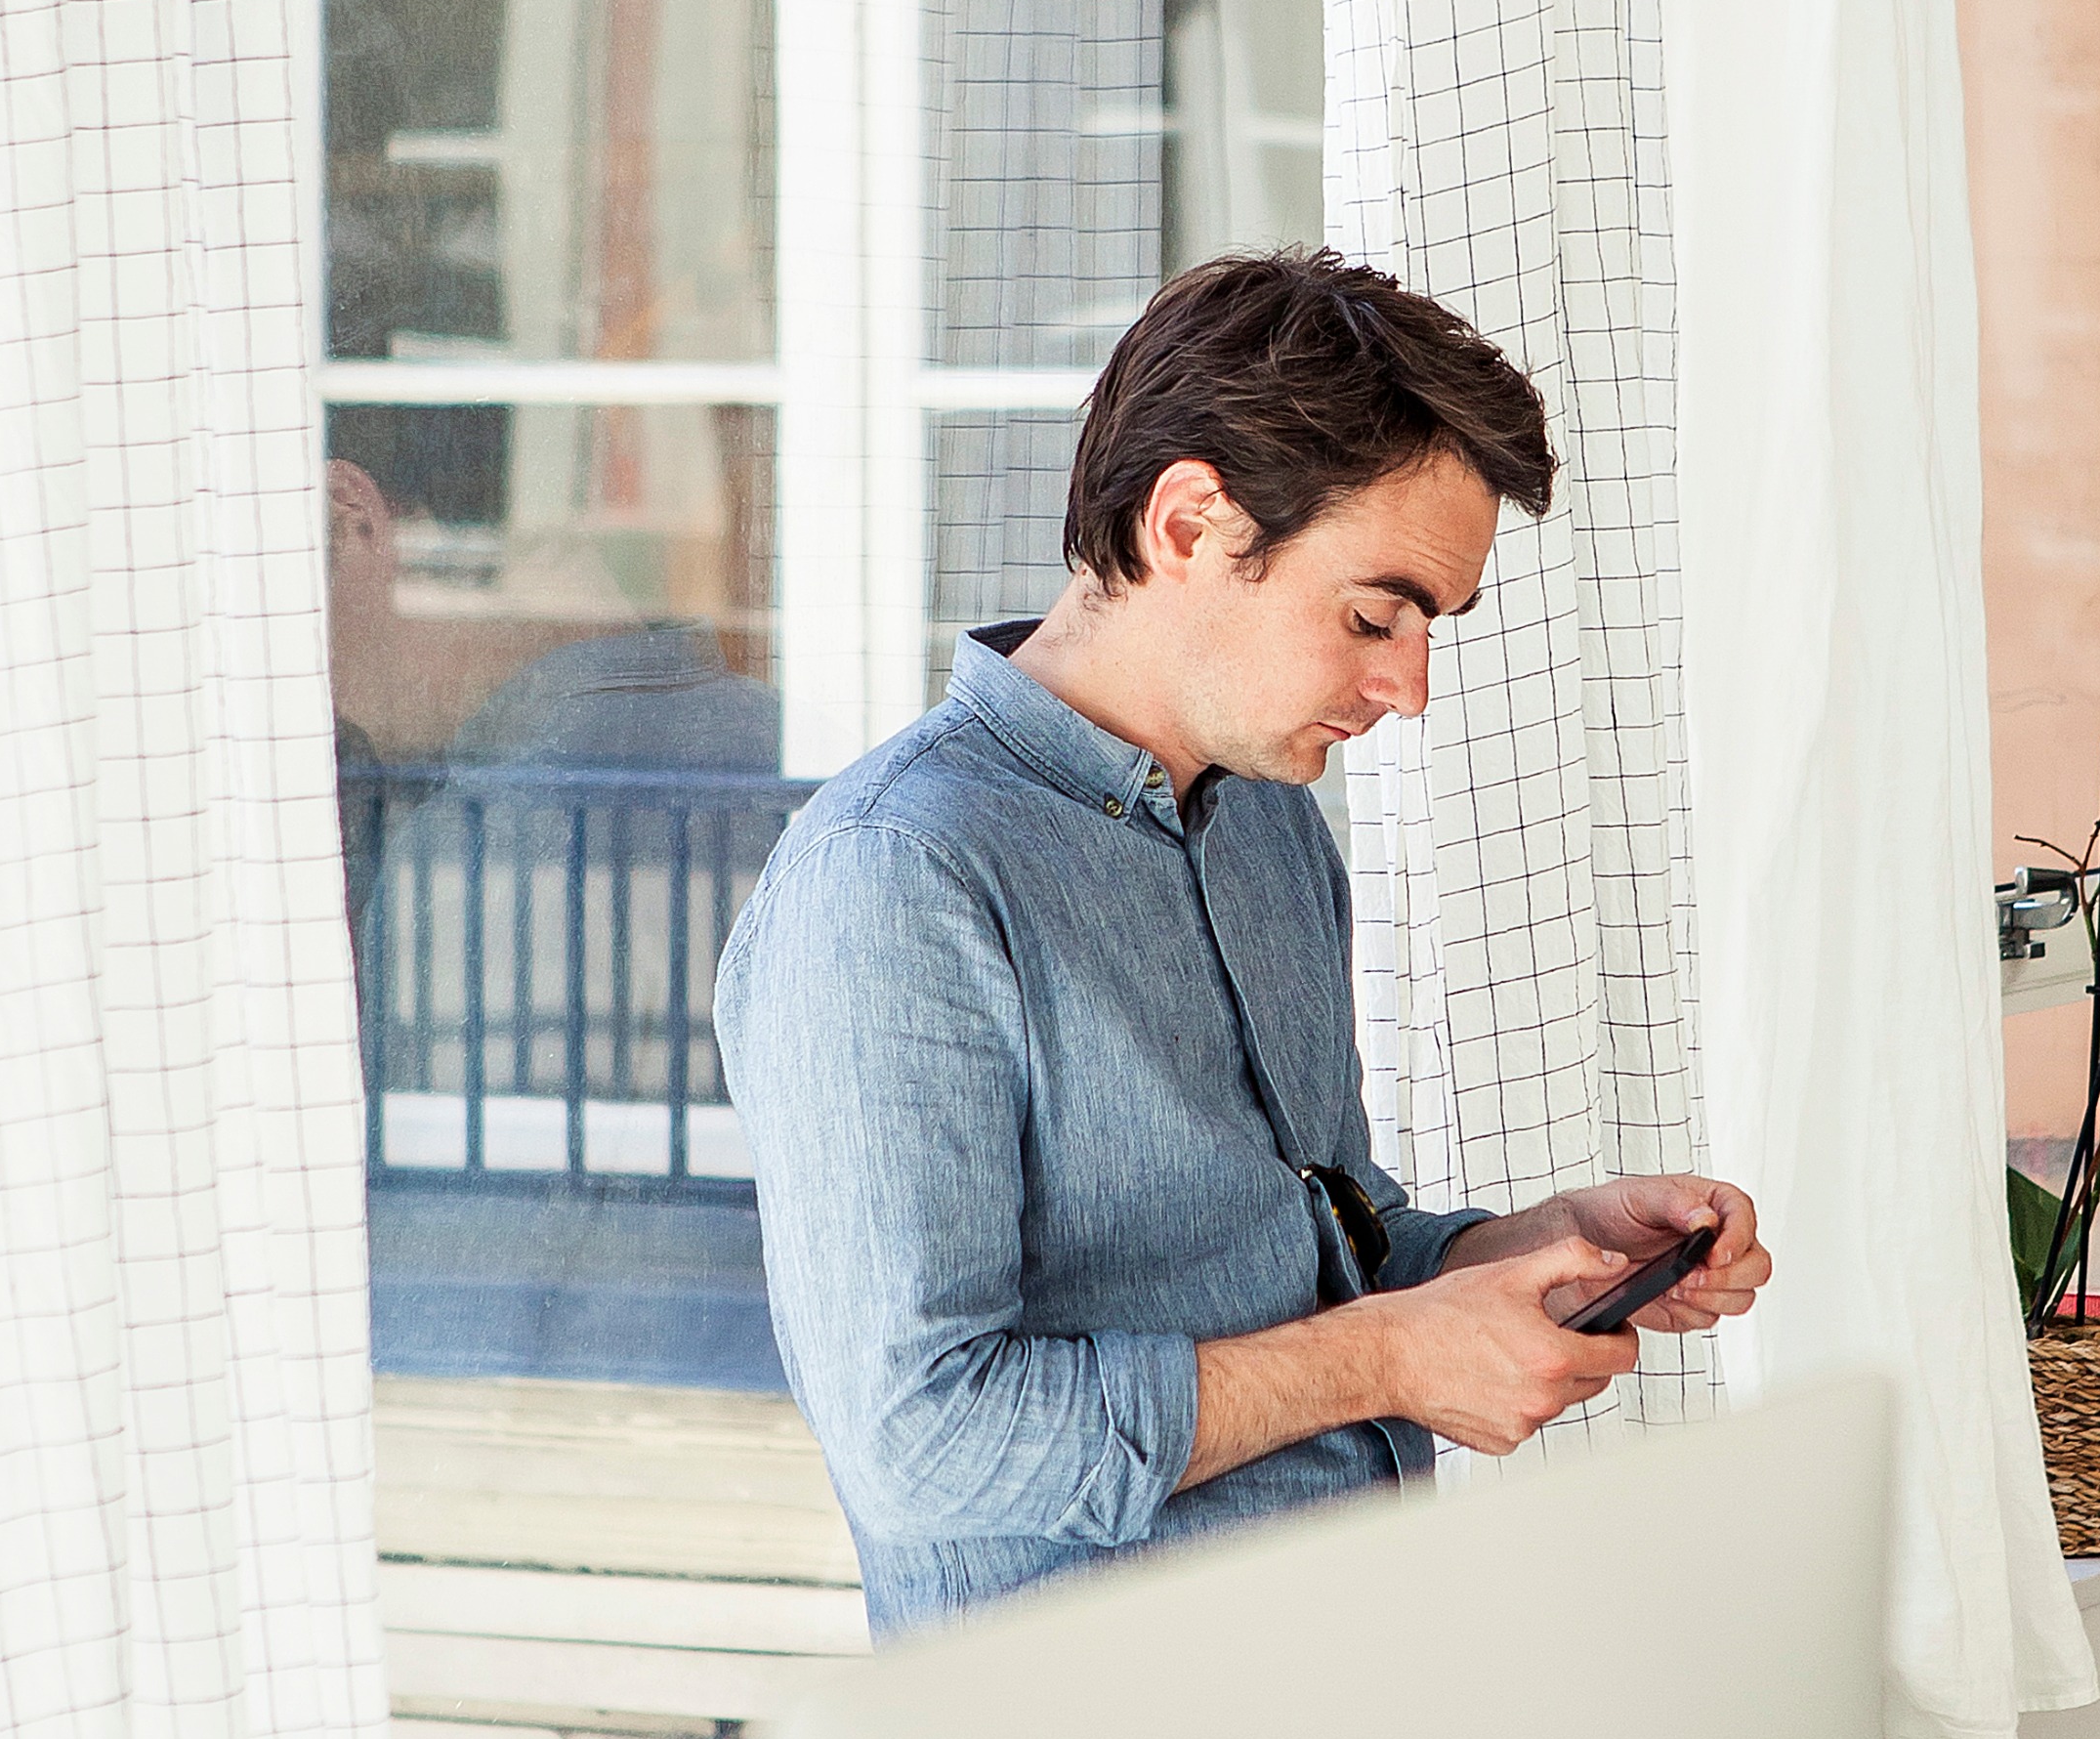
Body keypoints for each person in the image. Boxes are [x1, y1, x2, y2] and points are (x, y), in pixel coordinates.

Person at [712, 250, 1768, 1633]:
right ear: (1191, 522)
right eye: (1373, 614)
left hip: (1343, 1692)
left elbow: (1321, 1248)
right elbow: (923, 1443)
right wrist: (1388, 1360)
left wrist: (1525, 1251)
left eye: (1428, 628)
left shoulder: (1266, 826)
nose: (1408, 686)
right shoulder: (894, 881)